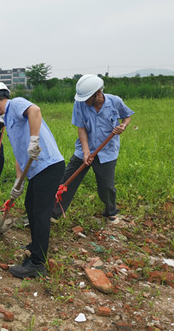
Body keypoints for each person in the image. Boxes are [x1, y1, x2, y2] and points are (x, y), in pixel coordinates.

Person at [0, 82, 65, 279]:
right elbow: (21, 154)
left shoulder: (16, 104)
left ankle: (37, 263)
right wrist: (18, 182)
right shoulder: (9, 121)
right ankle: (34, 246)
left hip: (48, 165)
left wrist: (34, 140)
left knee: (40, 213)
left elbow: (35, 111)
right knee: (30, 205)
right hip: (37, 171)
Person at [51, 74, 134, 224]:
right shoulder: (80, 104)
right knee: (68, 179)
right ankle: (54, 212)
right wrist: (86, 152)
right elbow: (81, 128)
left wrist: (123, 126)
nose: (85, 102)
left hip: (107, 151)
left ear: (98, 93)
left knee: (106, 186)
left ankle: (111, 213)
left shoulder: (115, 101)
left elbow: (127, 116)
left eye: (88, 98)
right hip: (84, 149)